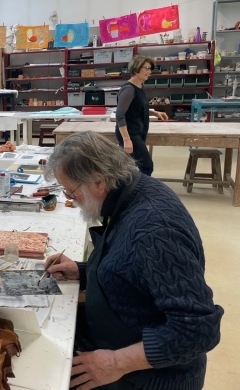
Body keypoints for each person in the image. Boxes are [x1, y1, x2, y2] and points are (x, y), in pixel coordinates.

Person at [44, 131, 223, 390]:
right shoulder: (132, 191)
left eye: (71, 192)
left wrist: (116, 363)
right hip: (121, 334)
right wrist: (84, 271)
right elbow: (133, 269)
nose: (69, 200)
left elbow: (198, 331)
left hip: (153, 375)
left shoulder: (155, 230)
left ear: (98, 182)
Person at [115, 56, 168, 176]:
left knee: (130, 166)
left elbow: (136, 108)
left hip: (137, 132)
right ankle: (141, 190)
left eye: (150, 69)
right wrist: (127, 139)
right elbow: (120, 115)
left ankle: (131, 189)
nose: (149, 72)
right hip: (130, 134)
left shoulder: (139, 87)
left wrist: (155, 112)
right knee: (147, 166)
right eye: (147, 68)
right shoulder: (129, 89)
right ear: (136, 69)